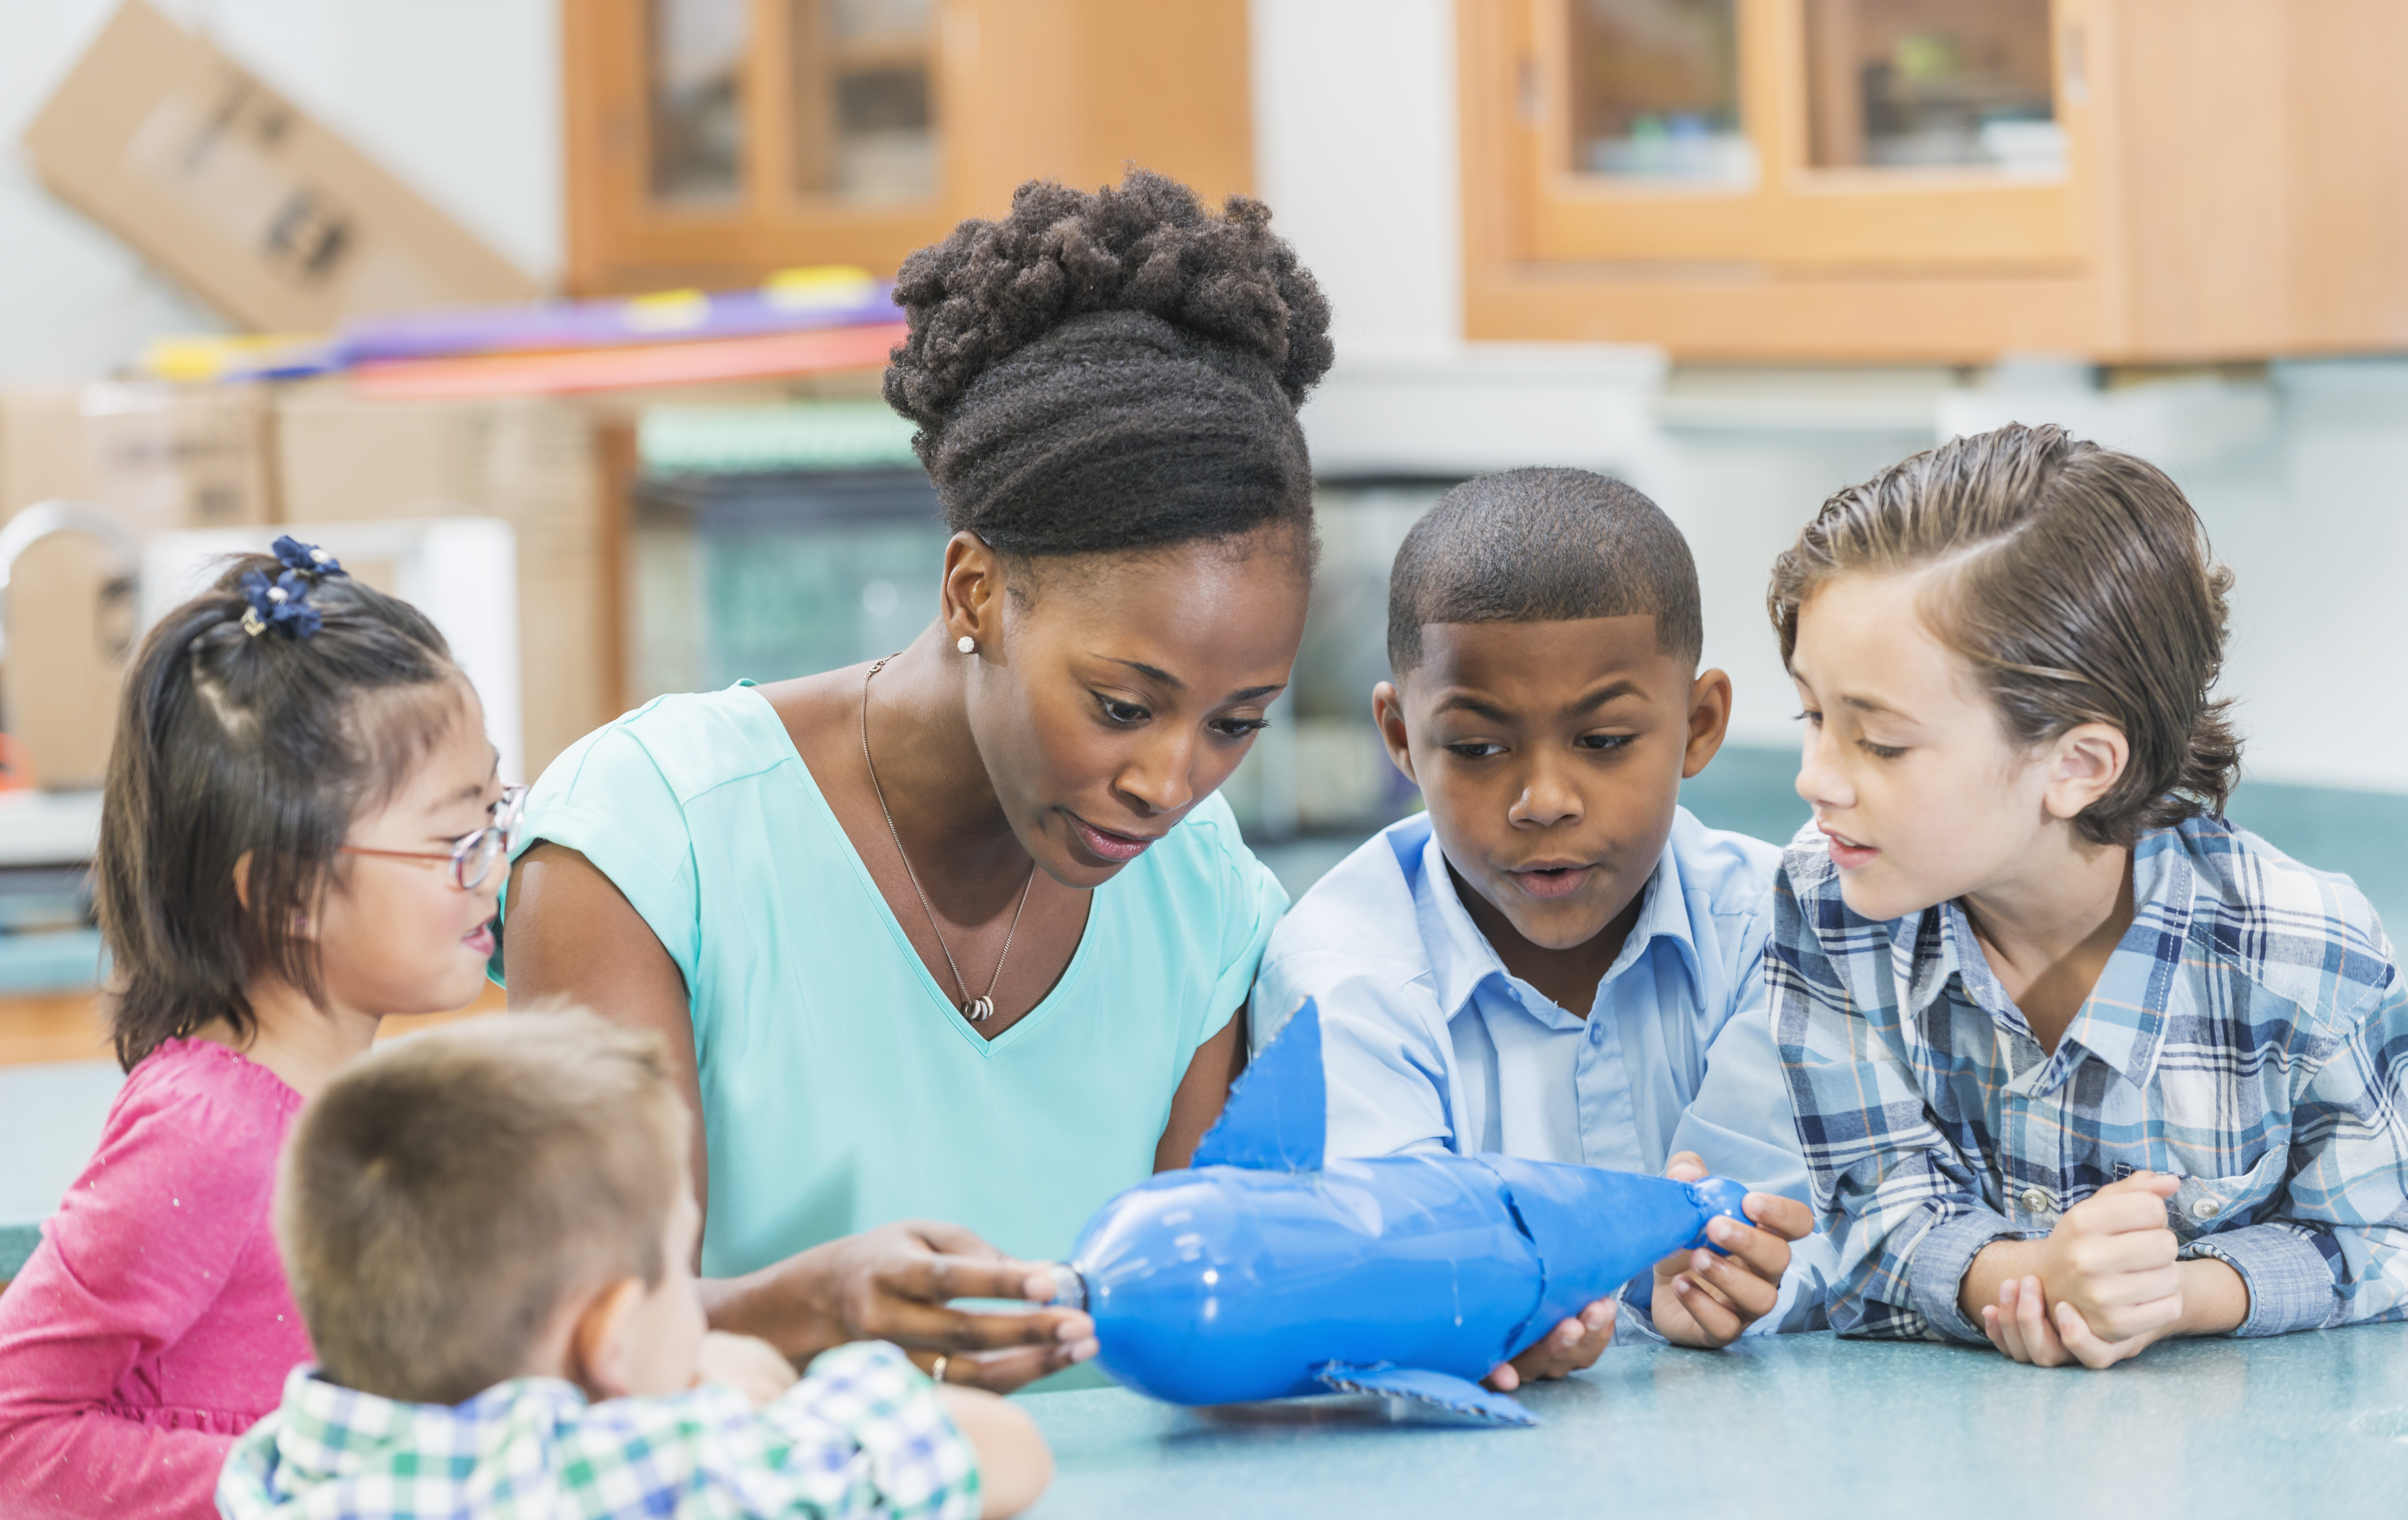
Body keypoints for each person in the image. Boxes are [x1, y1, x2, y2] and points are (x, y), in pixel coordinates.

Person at [498, 170, 1334, 1389]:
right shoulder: (644, 841)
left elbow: (1208, 1319)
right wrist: (823, 1306)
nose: (1171, 782)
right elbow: (573, 1333)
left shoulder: (1207, 904)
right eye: (1121, 707)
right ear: (975, 594)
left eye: (1237, 724)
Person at [1767, 422, 2408, 1368]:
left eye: (1881, 743)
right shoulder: (1828, 901)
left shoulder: (2304, 954)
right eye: (1813, 716)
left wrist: (2174, 1295)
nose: (1816, 779)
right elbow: (1869, 1217)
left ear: (2078, 766)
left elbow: (2382, 1238)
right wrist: (2028, 1279)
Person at [0, 540, 511, 1520]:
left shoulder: (364, 1108)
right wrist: (286, 1502)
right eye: (458, 837)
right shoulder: (205, 1130)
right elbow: (15, 1418)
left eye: (496, 817)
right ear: (287, 892)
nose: (492, 870)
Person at [1251, 469, 1826, 1392]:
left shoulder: (1782, 928)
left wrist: (1747, 1281)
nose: (1544, 802)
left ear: (1700, 724)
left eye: (1603, 742)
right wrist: (1475, 1318)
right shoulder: (1342, 976)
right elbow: (1401, 1267)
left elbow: (1823, 1222)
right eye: (1477, 749)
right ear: (1401, 740)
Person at [217, 1010, 1050, 1520]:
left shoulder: (288, 1467)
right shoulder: (627, 1482)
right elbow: (1003, 1452)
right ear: (609, 1338)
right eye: (676, 1287)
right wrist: (756, 1397)